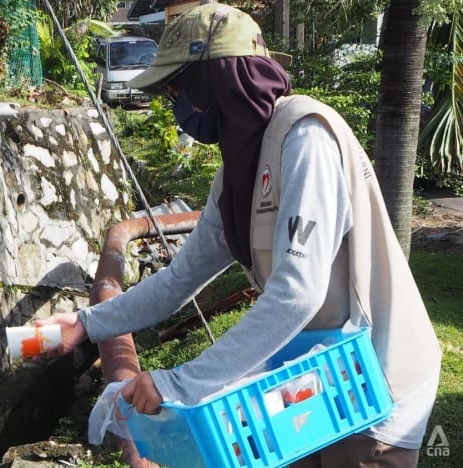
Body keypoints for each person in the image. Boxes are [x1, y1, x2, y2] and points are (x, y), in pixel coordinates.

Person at [36, 3, 442, 467]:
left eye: (180, 87)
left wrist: (178, 383)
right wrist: (85, 325)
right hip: (314, 378)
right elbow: (179, 279)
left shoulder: (306, 139)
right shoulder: (237, 174)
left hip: (376, 384)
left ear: (220, 78)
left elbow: (296, 293)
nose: (177, 106)